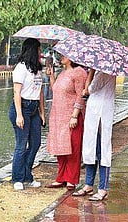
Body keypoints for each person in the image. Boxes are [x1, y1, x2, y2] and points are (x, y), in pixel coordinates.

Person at [45, 54, 87, 190]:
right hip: (59, 116)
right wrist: (51, 76)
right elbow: (56, 91)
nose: (61, 57)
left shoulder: (79, 72)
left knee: (73, 148)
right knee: (61, 148)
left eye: (64, 55)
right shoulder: (63, 73)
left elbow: (81, 95)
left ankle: (71, 179)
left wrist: (75, 115)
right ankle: (61, 177)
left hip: (72, 116)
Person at [72, 70, 116, 201]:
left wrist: (90, 72)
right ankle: (88, 184)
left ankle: (103, 188)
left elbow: (88, 90)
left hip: (102, 115)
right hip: (94, 114)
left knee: (103, 151)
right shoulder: (100, 71)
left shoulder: (104, 73)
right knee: (91, 150)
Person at [8, 38, 45, 190]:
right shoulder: (20, 68)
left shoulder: (37, 69)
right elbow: (16, 92)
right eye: (38, 50)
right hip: (22, 107)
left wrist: (42, 113)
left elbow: (40, 91)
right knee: (21, 145)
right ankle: (18, 178)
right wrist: (19, 115)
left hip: (35, 108)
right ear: (32, 50)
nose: (40, 53)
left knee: (35, 144)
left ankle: (27, 174)